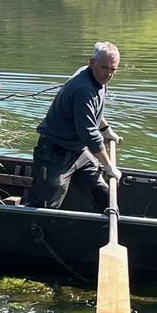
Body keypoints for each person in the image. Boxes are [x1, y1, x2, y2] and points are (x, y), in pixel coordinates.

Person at [24, 41, 121, 210]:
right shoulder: (83, 88)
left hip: (79, 152)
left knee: (102, 192)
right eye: (105, 68)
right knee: (46, 206)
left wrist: (105, 130)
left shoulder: (97, 79)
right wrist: (108, 165)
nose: (108, 74)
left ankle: (109, 225)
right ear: (92, 63)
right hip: (55, 153)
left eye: (113, 69)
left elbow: (92, 112)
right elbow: (89, 133)